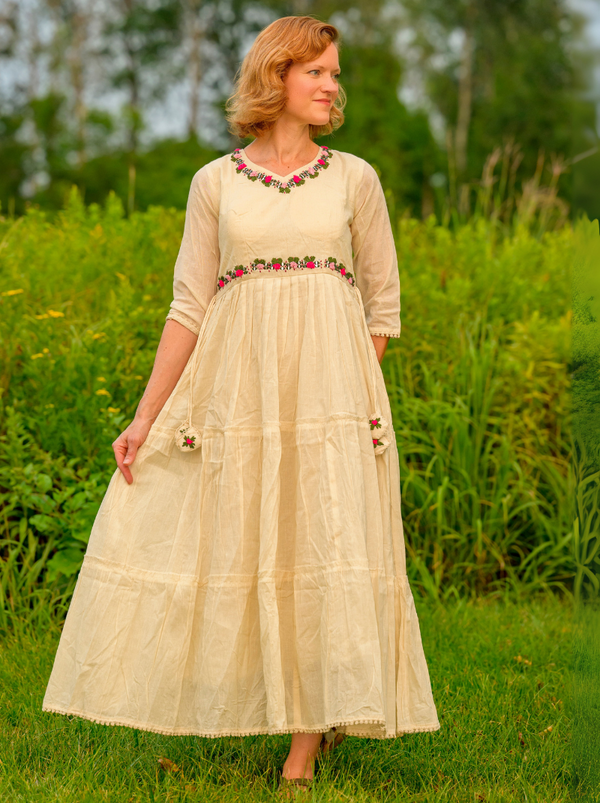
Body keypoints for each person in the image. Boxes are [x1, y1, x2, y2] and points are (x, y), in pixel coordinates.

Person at [42, 14, 440, 796]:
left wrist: (346, 394)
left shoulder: (353, 178)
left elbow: (381, 308)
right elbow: (188, 305)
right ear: (275, 78)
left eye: (334, 73)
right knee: (250, 546)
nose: (332, 86)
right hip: (240, 400)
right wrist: (145, 416)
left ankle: (304, 744)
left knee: (323, 546)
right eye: (316, 72)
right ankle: (265, 700)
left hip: (331, 400)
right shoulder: (214, 183)